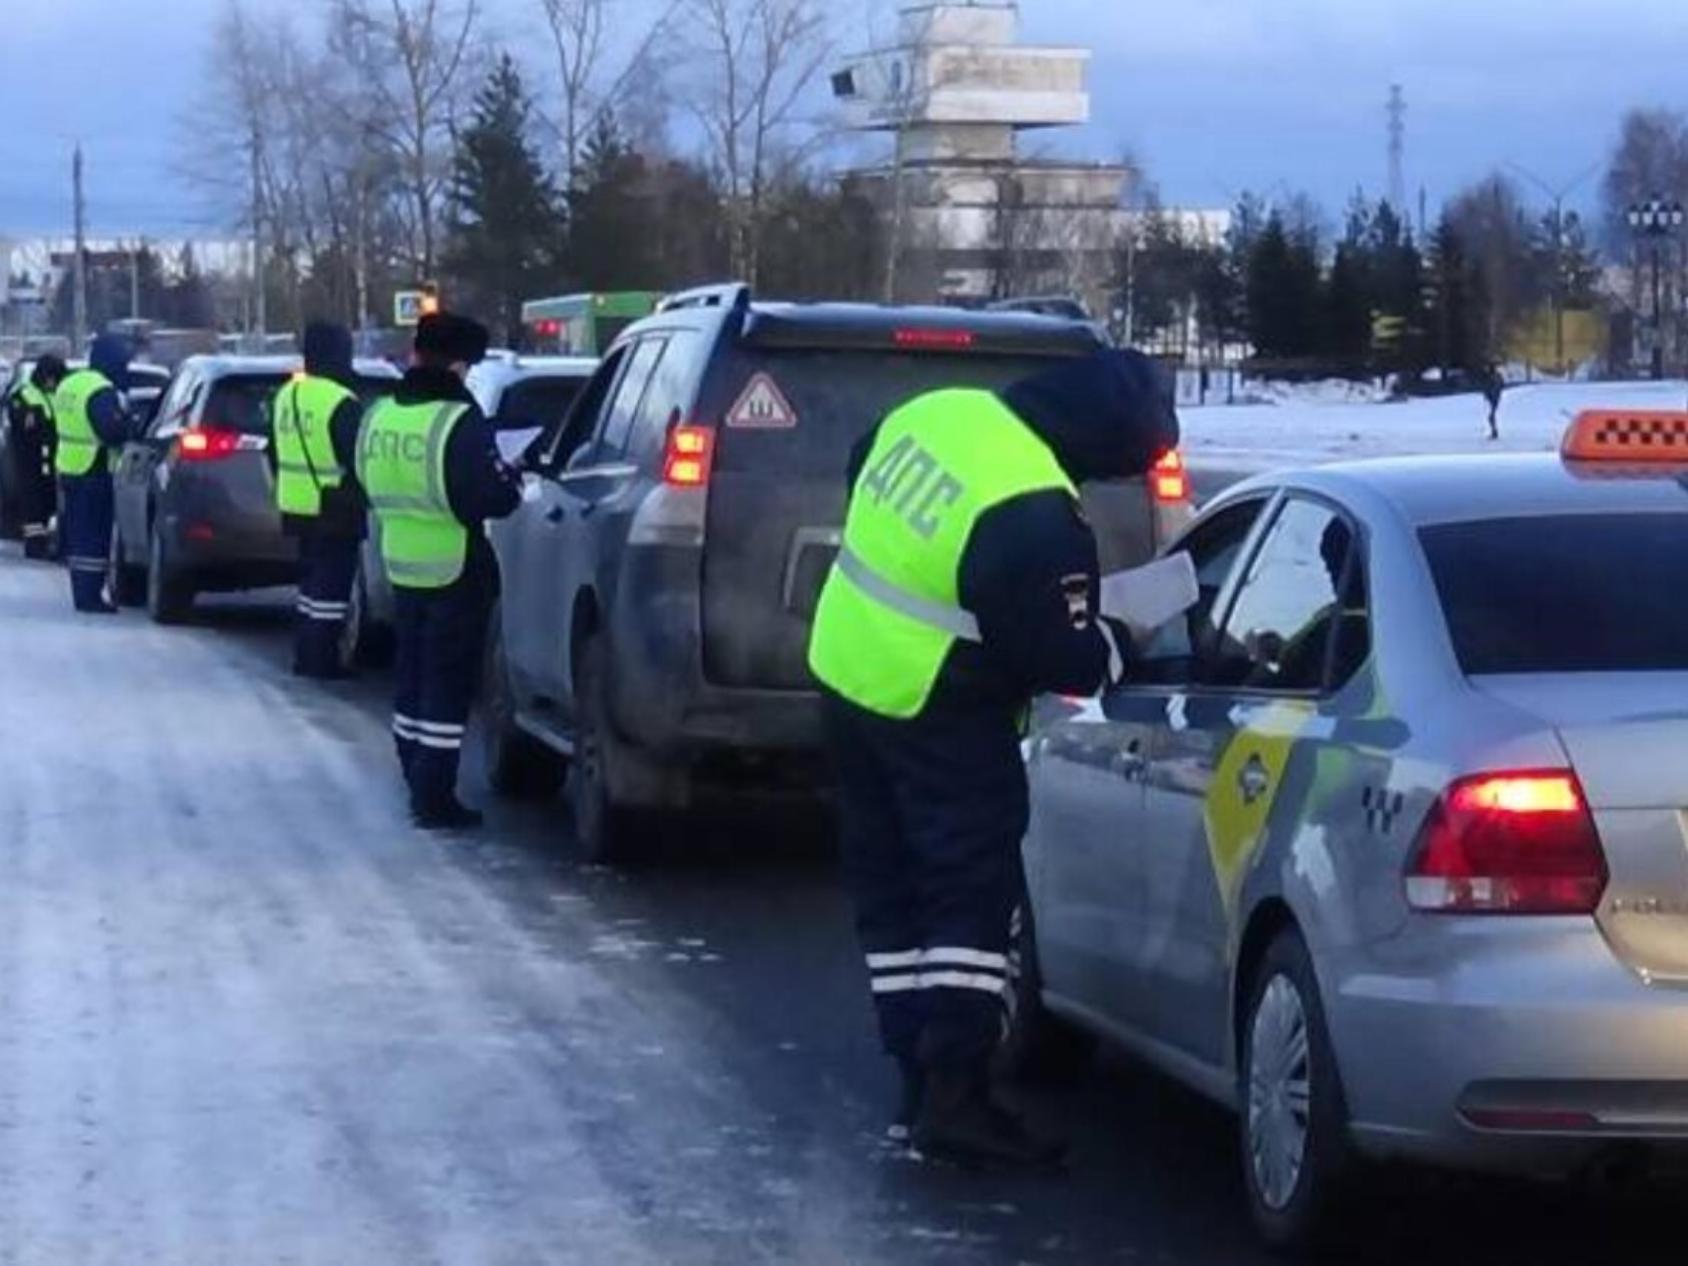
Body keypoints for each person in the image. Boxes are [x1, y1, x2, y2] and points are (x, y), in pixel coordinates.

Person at [808, 348, 1179, 1171]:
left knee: (892, 886)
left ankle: (914, 1074)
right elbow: (1066, 664)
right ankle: (956, 1096)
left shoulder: (943, 411)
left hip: (849, 670)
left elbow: (861, 466)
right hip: (938, 702)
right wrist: (1123, 639)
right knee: (969, 897)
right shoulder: (1036, 513)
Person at [356, 312, 519, 831]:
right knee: (447, 686)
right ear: (454, 364)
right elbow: (490, 497)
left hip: (401, 561)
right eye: (467, 366)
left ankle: (413, 770)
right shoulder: (457, 421)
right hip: (454, 566)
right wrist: (510, 479)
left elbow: (364, 480)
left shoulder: (380, 415)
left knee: (412, 676)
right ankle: (435, 795)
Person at [272, 321, 368, 679]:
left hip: (296, 504)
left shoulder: (287, 395)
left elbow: (272, 450)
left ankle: (304, 653)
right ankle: (322, 660)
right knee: (331, 591)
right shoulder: (340, 401)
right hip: (334, 508)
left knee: (309, 588)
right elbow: (358, 458)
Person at [53, 335, 137, 613]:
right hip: (94, 468)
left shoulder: (71, 383)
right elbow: (110, 431)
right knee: (93, 537)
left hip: (68, 466)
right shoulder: (101, 391)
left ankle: (82, 591)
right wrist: (128, 426)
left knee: (78, 535)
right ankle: (90, 597)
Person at [6, 354, 66, 558]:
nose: (53, 383)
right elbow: (24, 423)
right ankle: (35, 545)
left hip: (54, 459)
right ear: (44, 376)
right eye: (51, 379)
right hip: (30, 460)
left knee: (52, 502)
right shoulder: (23, 395)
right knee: (34, 504)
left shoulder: (57, 393)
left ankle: (53, 543)